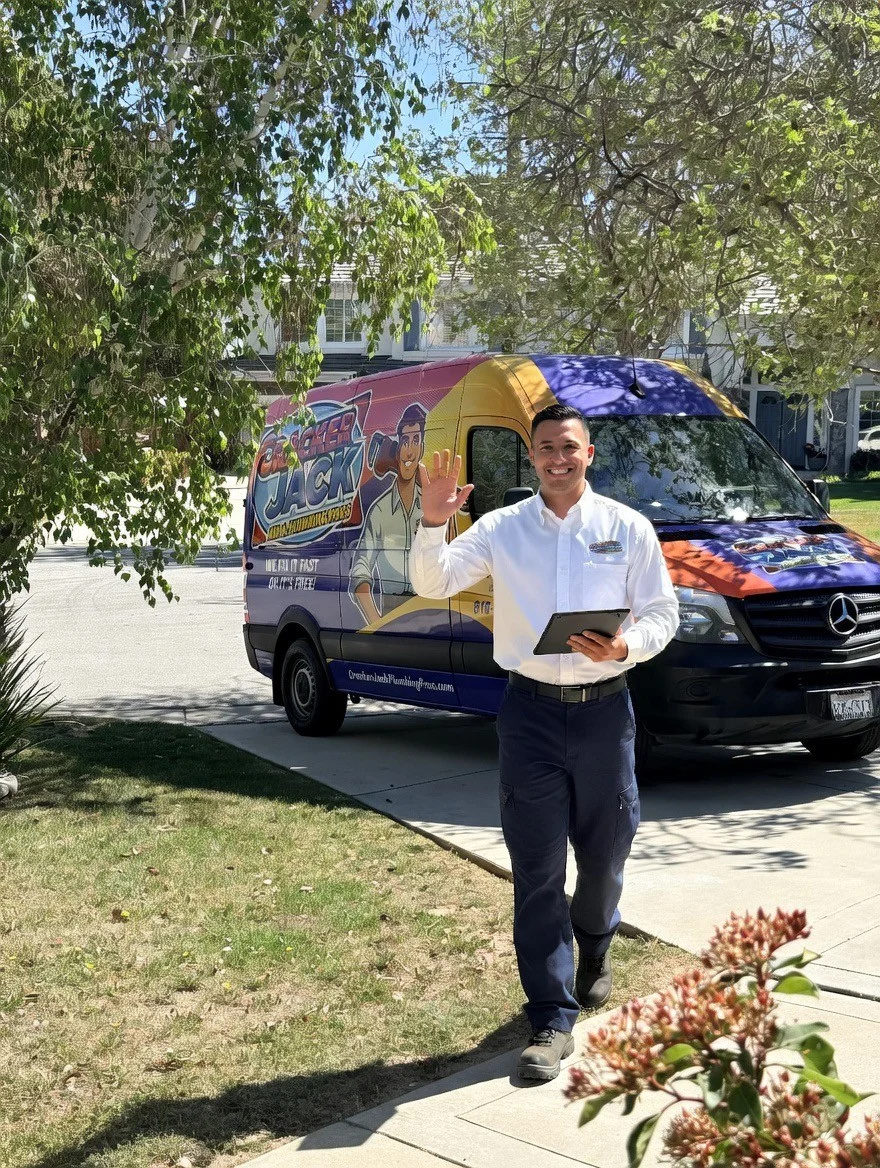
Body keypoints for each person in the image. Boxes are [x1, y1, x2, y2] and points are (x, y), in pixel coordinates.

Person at [410, 403, 679, 1082]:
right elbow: (431, 581)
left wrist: (627, 644)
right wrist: (435, 519)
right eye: (545, 449)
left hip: (605, 714)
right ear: (531, 458)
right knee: (535, 872)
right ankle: (551, 1019)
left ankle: (596, 940)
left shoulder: (627, 527)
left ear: (589, 454)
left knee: (606, 854)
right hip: (528, 713)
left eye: (569, 447)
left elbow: (662, 612)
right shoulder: (503, 529)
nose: (557, 459)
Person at [350, 403, 426, 625]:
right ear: (398, 447)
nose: (409, 450)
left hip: (433, 609)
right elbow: (360, 569)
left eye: (415, 441)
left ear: (422, 448)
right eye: (404, 441)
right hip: (392, 610)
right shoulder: (380, 511)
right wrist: (376, 623)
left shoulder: (431, 507)